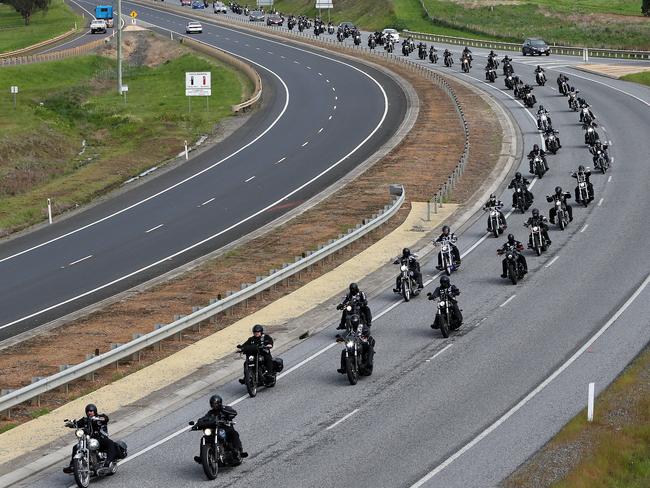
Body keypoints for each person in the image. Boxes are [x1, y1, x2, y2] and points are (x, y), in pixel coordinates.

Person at [63, 404, 118, 474]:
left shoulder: (100, 417)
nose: (89, 412)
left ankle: (108, 462)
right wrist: (71, 424)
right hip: (89, 440)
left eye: (91, 411)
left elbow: (106, 419)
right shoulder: (85, 420)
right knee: (76, 447)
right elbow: (77, 424)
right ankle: (73, 466)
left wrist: (100, 418)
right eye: (88, 411)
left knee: (110, 443)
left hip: (100, 438)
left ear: (94, 411)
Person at [193, 395, 247, 463]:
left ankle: (239, 451)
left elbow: (234, 412)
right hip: (214, 430)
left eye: (215, 403)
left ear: (219, 403)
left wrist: (226, 414)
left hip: (226, 429)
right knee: (204, 438)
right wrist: (197, 423)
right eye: (212, 404)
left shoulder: (225, 408)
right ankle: (202, 457)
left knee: (234, 434)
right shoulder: (210, 413)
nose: (213, 405)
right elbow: (204, 419)